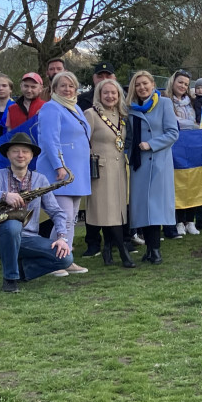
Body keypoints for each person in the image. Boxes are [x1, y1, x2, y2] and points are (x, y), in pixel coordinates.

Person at [0, 132, 74, 292]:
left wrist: (62, 238)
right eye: (15, 151)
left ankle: (21, 271)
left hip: (28, 238)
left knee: (65, 258)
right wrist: (4, 196)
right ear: (8, 154)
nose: (21, 155)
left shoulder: (40, 180)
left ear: (31, 155)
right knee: (12, 225)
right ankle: (10, 280)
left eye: (25, 151)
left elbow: (57, 212)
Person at [36, 71, 92, 273]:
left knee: (71, 218)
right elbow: (50, 140)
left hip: (77, 172)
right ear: (54, 88)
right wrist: (59, 165)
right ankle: (53, 261)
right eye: (63, 86)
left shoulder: (75, 108)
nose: (67, 89)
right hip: (60, 172)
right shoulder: (51, 108)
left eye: (71, 86)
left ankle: (65, 259)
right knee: (64, 217)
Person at [127, 70, 180, 264]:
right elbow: (129, 137)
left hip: (158, 163)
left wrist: (152, 144)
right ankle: (149, 250)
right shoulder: (130, 108)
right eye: (138, 84)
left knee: (155, 209)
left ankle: (156, 251)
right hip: (138, 165)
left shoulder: (164, 103)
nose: (141, 88)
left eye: (145, 84)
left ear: (152, 84)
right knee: (142, 209)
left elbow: (173, 133)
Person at [84, 77, 134, 267]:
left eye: (114, 93)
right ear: (99, 94)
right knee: (108, 212)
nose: (110, 96)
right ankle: (123, 252)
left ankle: (107, 252)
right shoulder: (91, 114)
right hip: (102, 171)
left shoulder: (121, 114)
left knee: (117, 211)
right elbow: (84, 142)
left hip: (119, 168)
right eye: (106, 93)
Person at [166, 69, 200, 237]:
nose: (182, 86)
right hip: (173, 147)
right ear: (173, 82)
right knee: (177, 184)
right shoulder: (165, 101)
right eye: (180, 82)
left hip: (191, 147)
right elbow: (174, 122)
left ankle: (190, 220)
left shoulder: (192, 102)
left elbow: (200, 119)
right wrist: (194, 126)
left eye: (186, 84)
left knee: (191, 182)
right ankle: (178, 221)